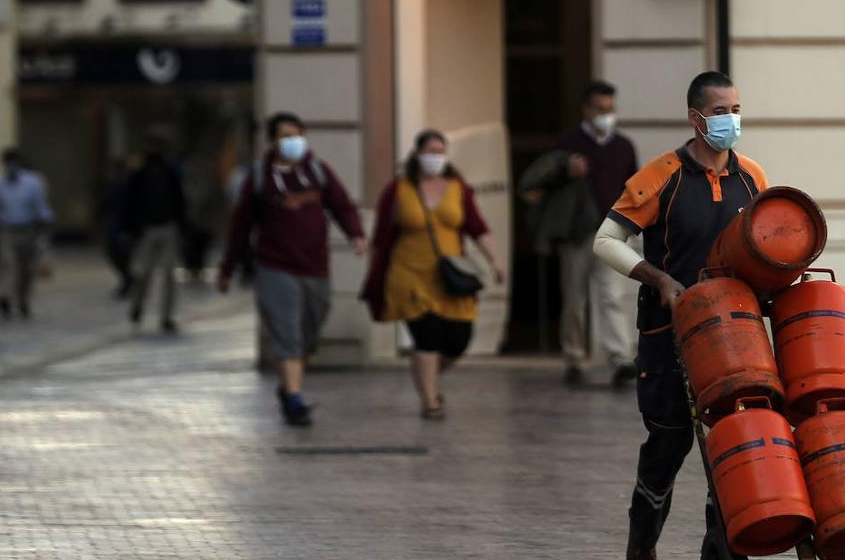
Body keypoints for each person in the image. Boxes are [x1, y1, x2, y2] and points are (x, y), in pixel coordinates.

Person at [592, 71, 769, 560]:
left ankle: (730, 556)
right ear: (695, 118)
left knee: (735, 441)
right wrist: (659, 279)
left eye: (736, 109)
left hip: (736, 335)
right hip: (668, 334)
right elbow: (606, 241)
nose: (731, 119)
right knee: (668, 443)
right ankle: (643, 535)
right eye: (720, 112)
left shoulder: (752, 178)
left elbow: (764, 244)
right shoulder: (661, 175)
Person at [218, 113, 366, 426]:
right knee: (288, 333)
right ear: (272, 141)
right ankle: (295, 400)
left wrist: (355, 235)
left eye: (297, 135)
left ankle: (288, 386)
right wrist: (228, 268)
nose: (293, 141)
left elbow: (342, 205)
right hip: (275, 268)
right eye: (286, 136)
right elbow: (241, 226)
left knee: (310, 331)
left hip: (315, 267)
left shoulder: (318, 171)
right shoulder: (260, 178)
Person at [361, 130, 506, 419]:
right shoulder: (398, 189)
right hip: (409, 273)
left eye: (441, 152)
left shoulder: (458, 188)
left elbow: (477, 227)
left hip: (450, 275)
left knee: (458, 339)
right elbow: (382, 236)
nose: (436, 157)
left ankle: (427, 377)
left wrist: (495, 260)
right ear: (417, 154)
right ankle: (430, 401)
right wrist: (377, 271)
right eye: (430, 151)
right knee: (426, 335)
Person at [520, 80, 638, 388]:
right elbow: (542, 185)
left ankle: (620, 359)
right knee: (575, 299)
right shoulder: (568, 143)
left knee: (611, 296)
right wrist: (566, 170)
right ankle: (573, 358)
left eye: (610, 109)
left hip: (612, 232)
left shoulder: (623, 146)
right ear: (586, 109)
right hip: (576, 233)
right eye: (600, 109)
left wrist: (632, 226)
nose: (605, 115)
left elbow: (633, 188)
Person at [126, 133, 188, 333]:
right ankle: (138, 306)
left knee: (169, 274)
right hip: (147, 228)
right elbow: (130, 202)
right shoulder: (140, 173)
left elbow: (179, 200)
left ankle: (166, 315)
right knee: (143, 273)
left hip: (167, 226)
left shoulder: (170, 172)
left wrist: (181, 226)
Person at [0, 147, 55, 319]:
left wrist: (44, 227)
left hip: (28, 230)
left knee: (26, 270)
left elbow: (41, 206)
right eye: (8, 162)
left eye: (13, 161)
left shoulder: (33, 182)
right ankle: (5, 297)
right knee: (7, 265)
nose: (11, 166)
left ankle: (23, 300)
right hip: (6, 230)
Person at [102, 157, 134, 299]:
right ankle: (128, 280)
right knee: (119, 254)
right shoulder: (119, 183)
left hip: (120, 224)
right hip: (119, 224)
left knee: (119, 254)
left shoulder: (122, 183)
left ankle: (128, 280)